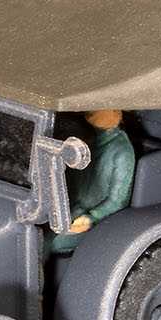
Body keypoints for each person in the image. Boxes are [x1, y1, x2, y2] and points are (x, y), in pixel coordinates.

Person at [48, 108, 135, 254]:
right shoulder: (86, 139)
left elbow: (118, 201)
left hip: (94, 219)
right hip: (69, 207)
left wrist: (92, 217)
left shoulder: (122, 152)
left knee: (51, 243)